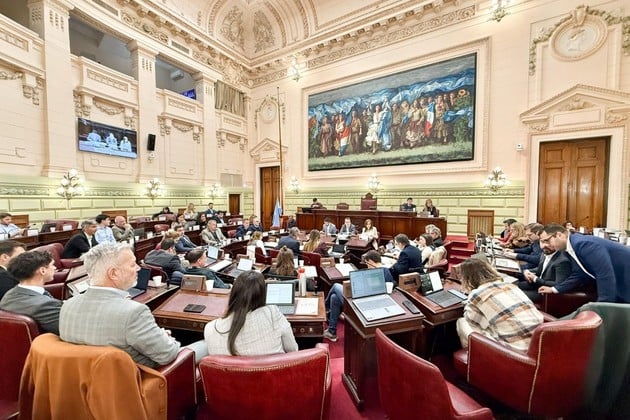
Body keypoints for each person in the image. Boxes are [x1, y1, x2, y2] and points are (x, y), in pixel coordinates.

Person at [60, 243, 180, 368]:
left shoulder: (67, 306)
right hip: (138, 377)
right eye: (133, 264)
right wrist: (166, 339)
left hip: (81, 377)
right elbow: (167, 355)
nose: (138, 268)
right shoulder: (134, 313)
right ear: (113, 273)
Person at [455, 258, 543, 351]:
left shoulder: (476, 294)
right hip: (539, 343)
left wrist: (470, 298)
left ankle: (474, 355)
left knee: (462, 322)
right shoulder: (510, 285)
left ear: (467, 279)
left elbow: (472, 321)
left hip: (514, 351)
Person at [204, 271, 298, 356]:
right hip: (273, 370)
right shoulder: (272, 313)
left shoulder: (210, 328)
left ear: (233, 293)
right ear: (263, 294)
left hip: (230, 371)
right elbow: (292, 350)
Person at [538, 224, 630, 303]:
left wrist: (603, 306)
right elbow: (579, 274)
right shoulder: (571, 247)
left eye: (547, 240)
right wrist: (554, 289)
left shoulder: (584, 244)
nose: (545, 245)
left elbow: (604, 275)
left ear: (559, 235)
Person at [0, 250, 62, 334]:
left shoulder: (9, 294)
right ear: (43, 271)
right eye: (52, 265)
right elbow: (71, 330)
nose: (55, 268)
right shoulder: (45, 305)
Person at [516, 236, 572, 303]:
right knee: (512, 286)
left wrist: (535, 279)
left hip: (546, 292)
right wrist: (527, 271)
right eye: (542, 242)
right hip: (537, 284)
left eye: (548, 242)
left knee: (516, 296)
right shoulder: (545, 252)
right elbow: (541, 268)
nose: (545, 245)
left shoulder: (562, 261)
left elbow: (559, 284)